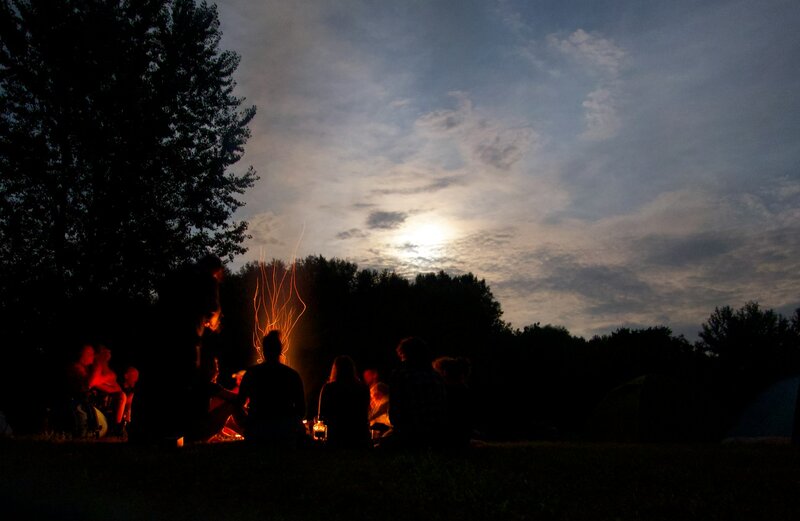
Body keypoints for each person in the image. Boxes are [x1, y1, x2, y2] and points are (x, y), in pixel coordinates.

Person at [238, 331, 305, 446]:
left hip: (257, 432)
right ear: (281, 351)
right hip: (284, 432)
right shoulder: (292, 375)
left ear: (263, 351)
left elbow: (239, 404)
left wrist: (247, 424)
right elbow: (302, 410)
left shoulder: (251, 373)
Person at [386, 337, 447, 448]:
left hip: (410, 434)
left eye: (402, 356)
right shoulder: (437, 376)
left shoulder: (400, 376)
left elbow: (396, 411)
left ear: (405, 355)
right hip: (436, 435)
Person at [317, 356, 371, 448]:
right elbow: (365, 413)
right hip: (359, 436)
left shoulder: (328, 388)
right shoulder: (363, 388)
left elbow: (321, 415)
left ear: (334, 369)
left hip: (336, 437)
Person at [433, 356, 473, 449]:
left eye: (436, 371)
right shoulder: (464, 390)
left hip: (447, 439)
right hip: (462, 438)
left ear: (444, 372)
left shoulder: (445, 392)